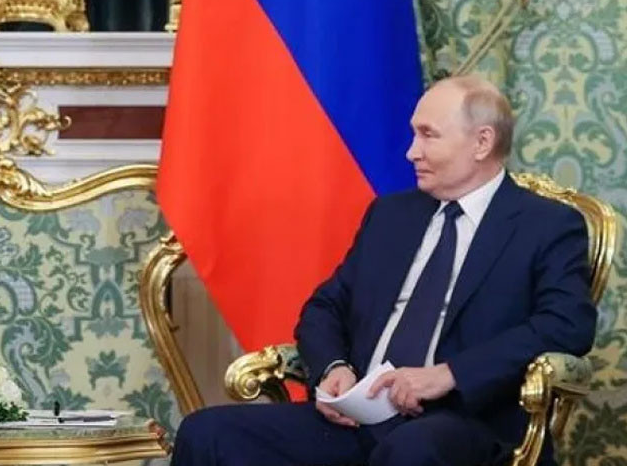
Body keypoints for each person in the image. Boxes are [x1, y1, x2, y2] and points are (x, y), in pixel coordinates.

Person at [172, 76, 596, 466]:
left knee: (413, 449)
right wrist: (333, 368)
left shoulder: (545, 225)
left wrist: (449, 374)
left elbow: (567, 325)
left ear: (482, 142)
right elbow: (325, 307)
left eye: (428, 135)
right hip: (360, 416)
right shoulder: (391, 216)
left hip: (466, 420)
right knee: (207, 432)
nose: (411, 151)